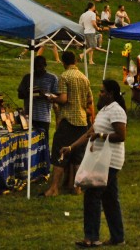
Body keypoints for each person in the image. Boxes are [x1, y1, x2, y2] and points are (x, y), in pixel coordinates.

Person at [63, 79, 127, 248]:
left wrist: (101, 137)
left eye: (102, 91)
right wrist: (71, 147)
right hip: (102, 159)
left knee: (92, 194)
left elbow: (121, 136)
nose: (100, 94)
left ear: (111, 94)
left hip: (109, 161)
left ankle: (91, 238)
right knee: (110, 199)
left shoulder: (117, 111)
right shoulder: (104, 111)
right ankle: (117, 237)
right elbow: (90, 132)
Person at [45, 50, 95, 197]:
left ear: (63, 62)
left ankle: (54, 188)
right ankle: (77, 188)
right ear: (76, 61)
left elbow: (64, 99)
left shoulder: (64, 76)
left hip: (68, 121)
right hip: (82, 121)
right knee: (77, 156)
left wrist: (52, 98)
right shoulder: (84, 78)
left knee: (60, 154)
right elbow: (89, 101)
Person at [17, 55, 60, 161]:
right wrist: (28, 93)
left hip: (43, 117)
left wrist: (44, 94)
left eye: (40, 66)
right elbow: (20, 94)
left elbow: (57, 97)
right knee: (28, 143)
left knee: (42, 144)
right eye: (35, 67)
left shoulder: (52, 78)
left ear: (45, 66)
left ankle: (43, 164)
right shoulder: (28, 78)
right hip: (28, 115)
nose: (37, 69)